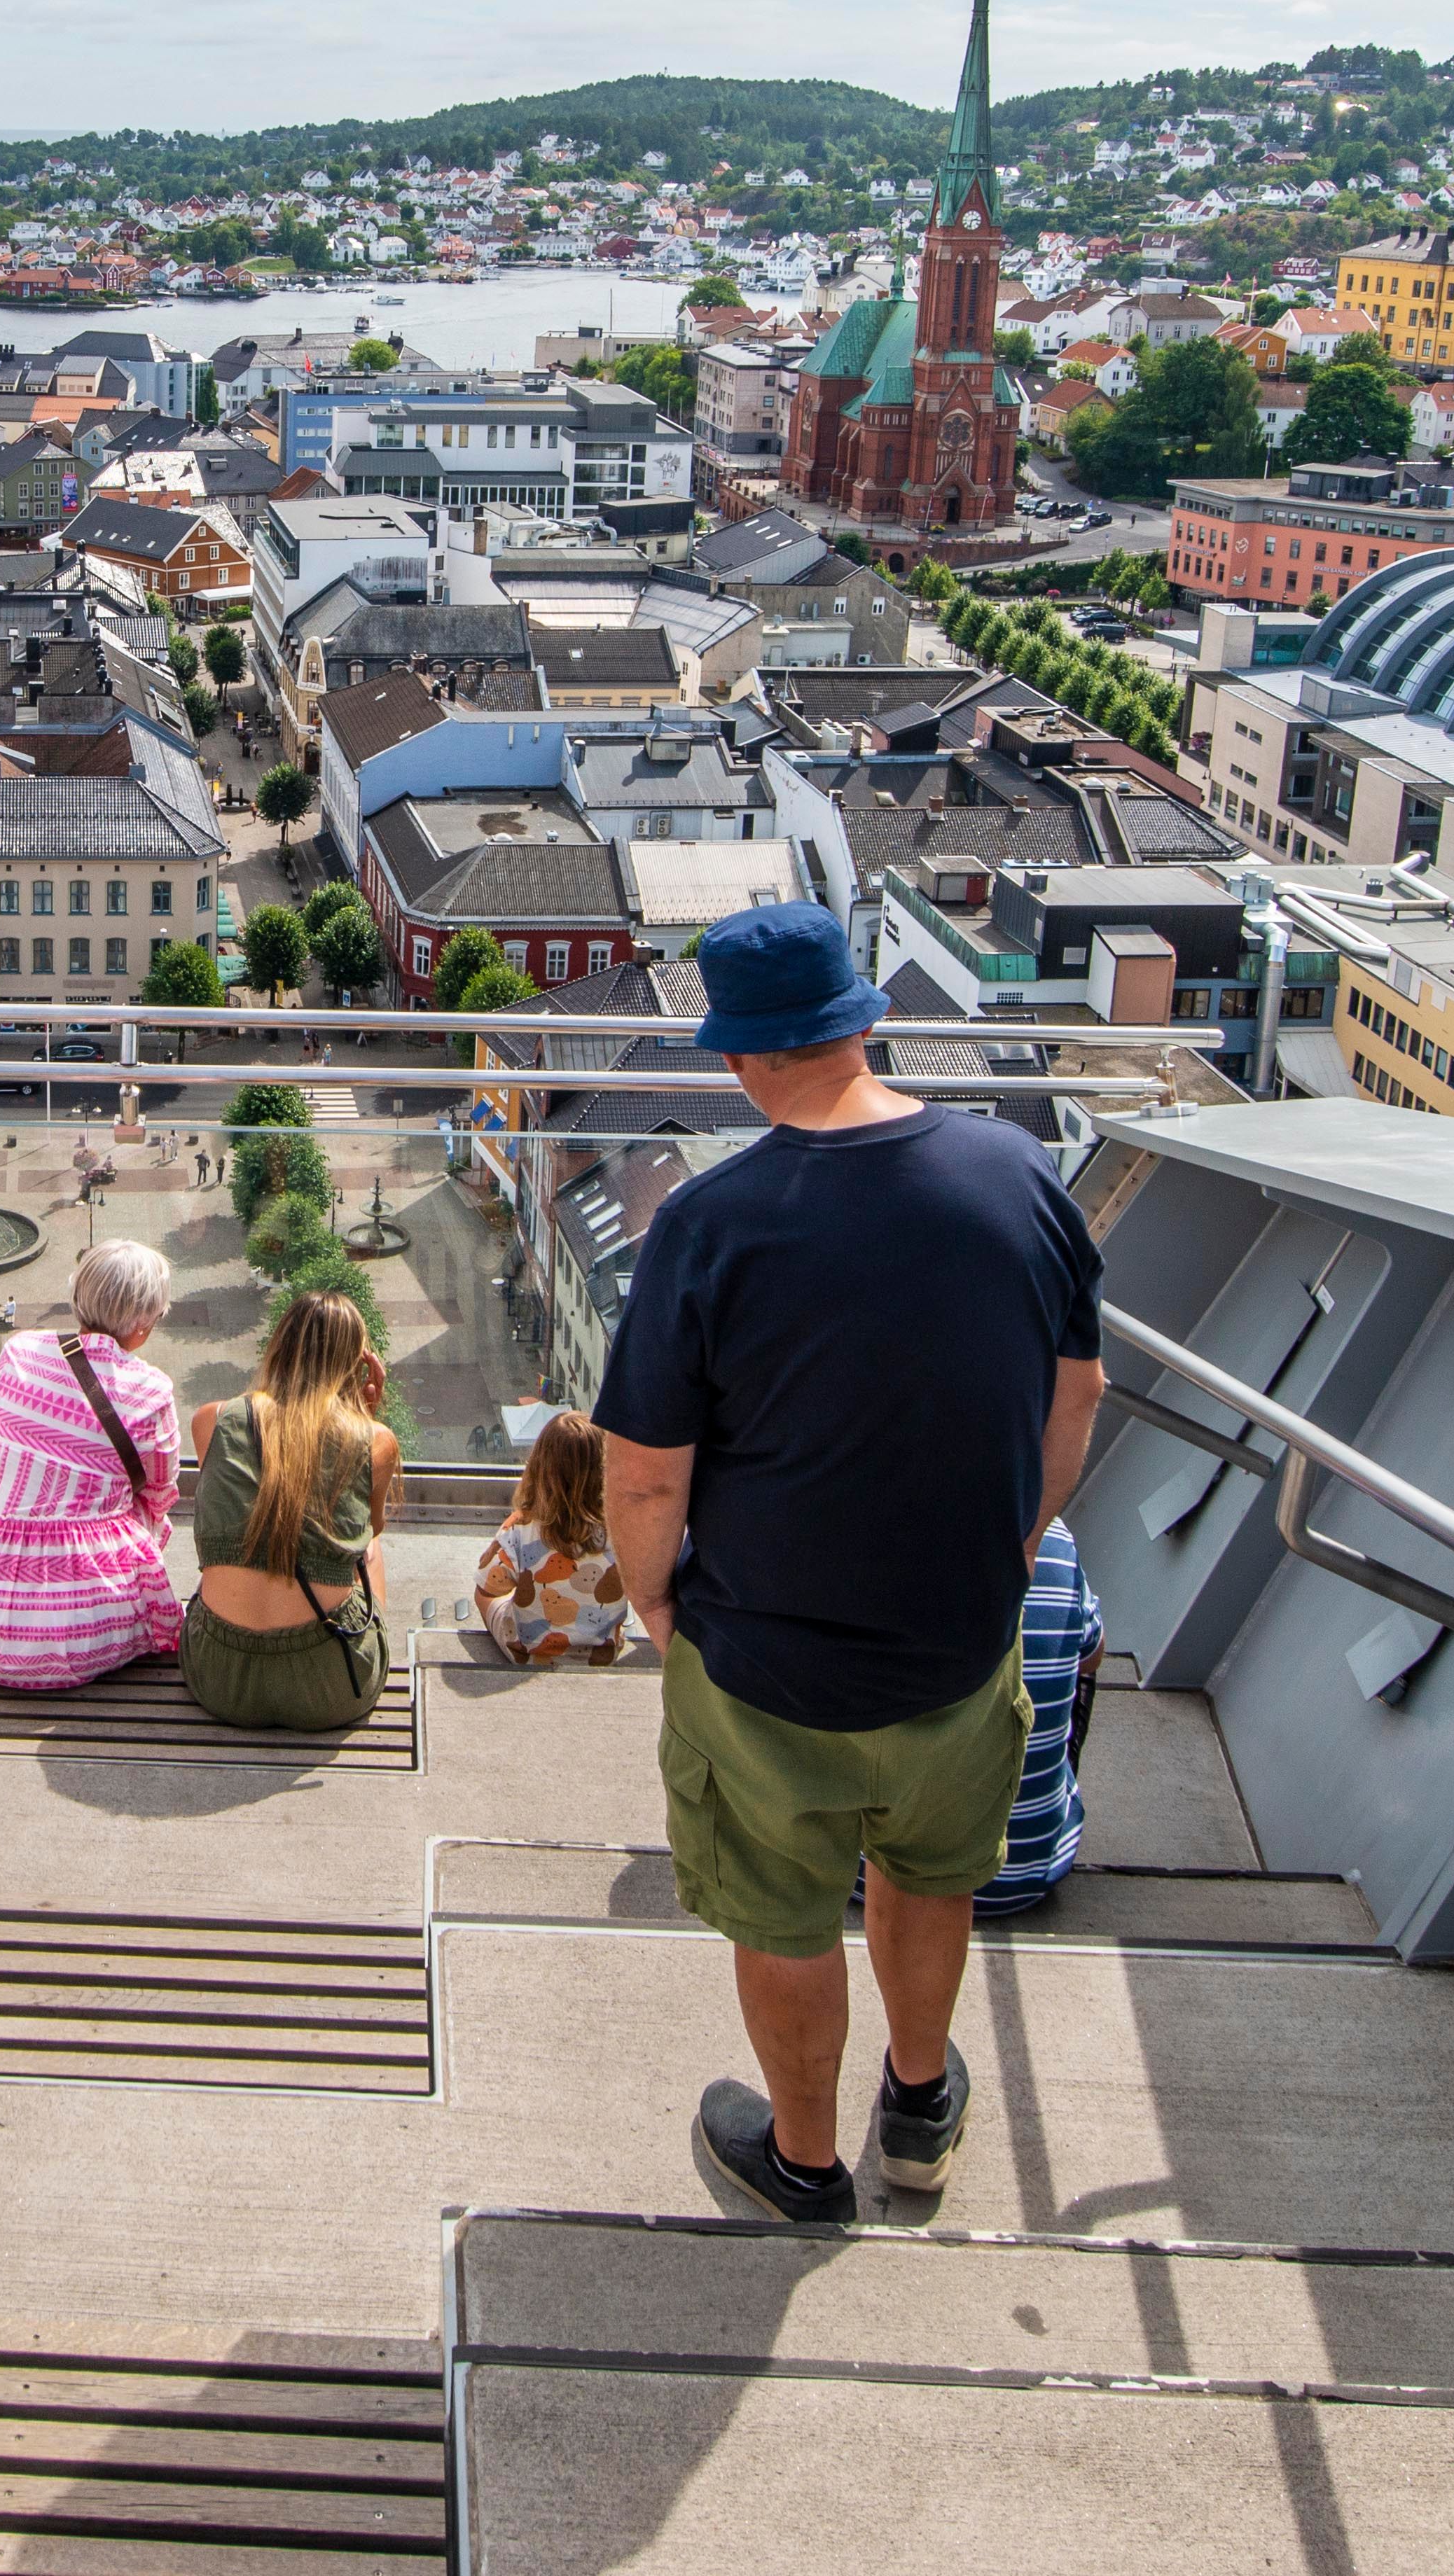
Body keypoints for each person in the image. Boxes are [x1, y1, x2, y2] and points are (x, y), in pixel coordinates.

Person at [602, 898, 1102, 2225]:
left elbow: (645, 1472)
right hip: (959, 1642)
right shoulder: (1019, 1177)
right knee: (932, 1877)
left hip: (766, 1657)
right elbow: (1078, 1392)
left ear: (735, 1056)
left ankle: (806, 2163)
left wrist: (656, 1597)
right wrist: (1014, 1541)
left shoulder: (710, 1224)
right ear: (865, 1022)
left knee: (780, 1912)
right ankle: (920, 2106)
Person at [0, 1241, 185, 1688]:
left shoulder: (18, 1352)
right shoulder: (150, 1391)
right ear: (142, 1324)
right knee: (137, 1514)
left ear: (78, 1298)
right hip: (85, 1635)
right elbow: (159, 1493)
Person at [181, 1291, 401, 1732]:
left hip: (219, 1676)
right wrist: (365, 1419)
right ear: (355, 1365)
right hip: (333, 1684)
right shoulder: (375, 1441)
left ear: (278, 1346)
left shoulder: (213, 1419)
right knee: (371, 1544)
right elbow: (369, 1529)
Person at [964, 1523, 1108, 1921]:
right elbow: (1094, 1657)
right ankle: (1036, 1802)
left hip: (872, 1880)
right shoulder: (1054, 1537)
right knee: (1075, 1663)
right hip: (1029, 1874)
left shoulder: (880, 1521)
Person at [473, 1411, 635, 1666]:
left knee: (488, 1597)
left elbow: (487, 1587)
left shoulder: (520, 1527)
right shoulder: (625, 1528)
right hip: (602, 1656)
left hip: (529, 1657)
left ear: (538, 1466)